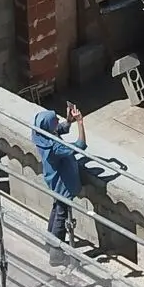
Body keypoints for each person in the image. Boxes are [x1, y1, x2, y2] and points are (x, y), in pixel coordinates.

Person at [32, 105, 87, 265]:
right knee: (62, 213)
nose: (58, 120)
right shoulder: (55, 147)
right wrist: (80, 122)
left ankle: (50, 243)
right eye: (55, 120)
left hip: (53, 178)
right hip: (63, 183)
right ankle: (56, 254)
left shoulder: (41, 135)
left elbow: (60, 129)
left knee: (56, 208)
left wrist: (69, 121)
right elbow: (80, 145)